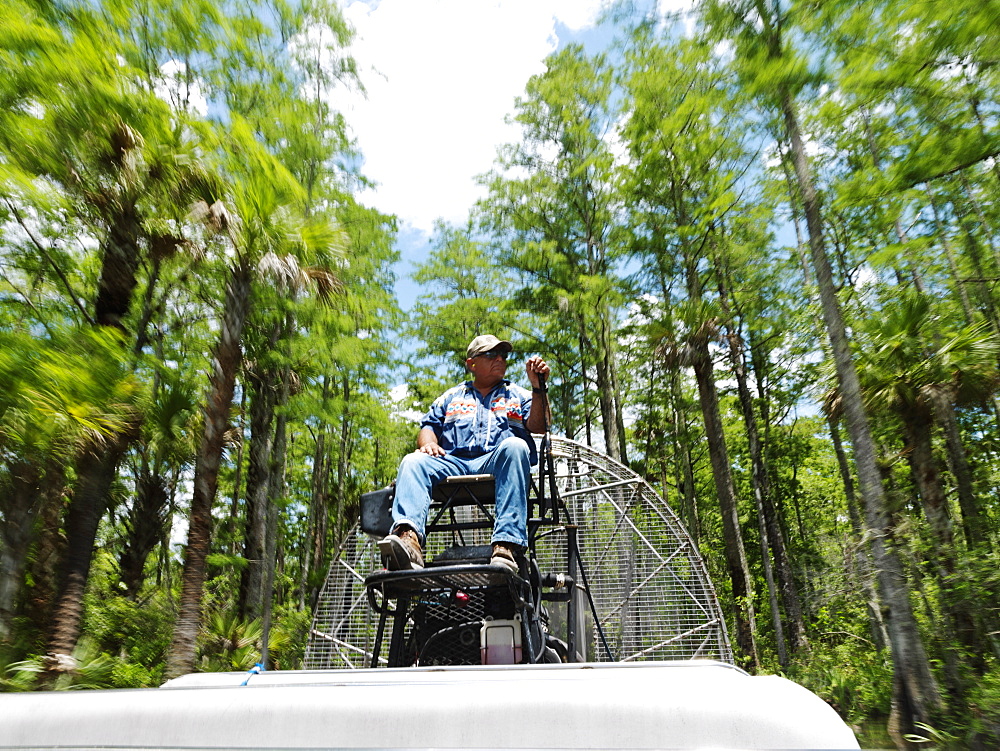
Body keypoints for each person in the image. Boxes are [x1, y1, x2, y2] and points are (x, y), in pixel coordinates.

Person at [379, 334, 551, 573]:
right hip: (453, 463)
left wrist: (538, 387)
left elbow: (540, 426)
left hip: (497, 462)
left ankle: (506, 546)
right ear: (471, 363)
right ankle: (409, 541)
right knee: (413, 460)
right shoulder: (451, 397)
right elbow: (428, 426)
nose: (500, 359)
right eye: (491, 355)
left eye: (503, 355)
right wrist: (428, 443)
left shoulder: (518, 394)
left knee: (515, 446)